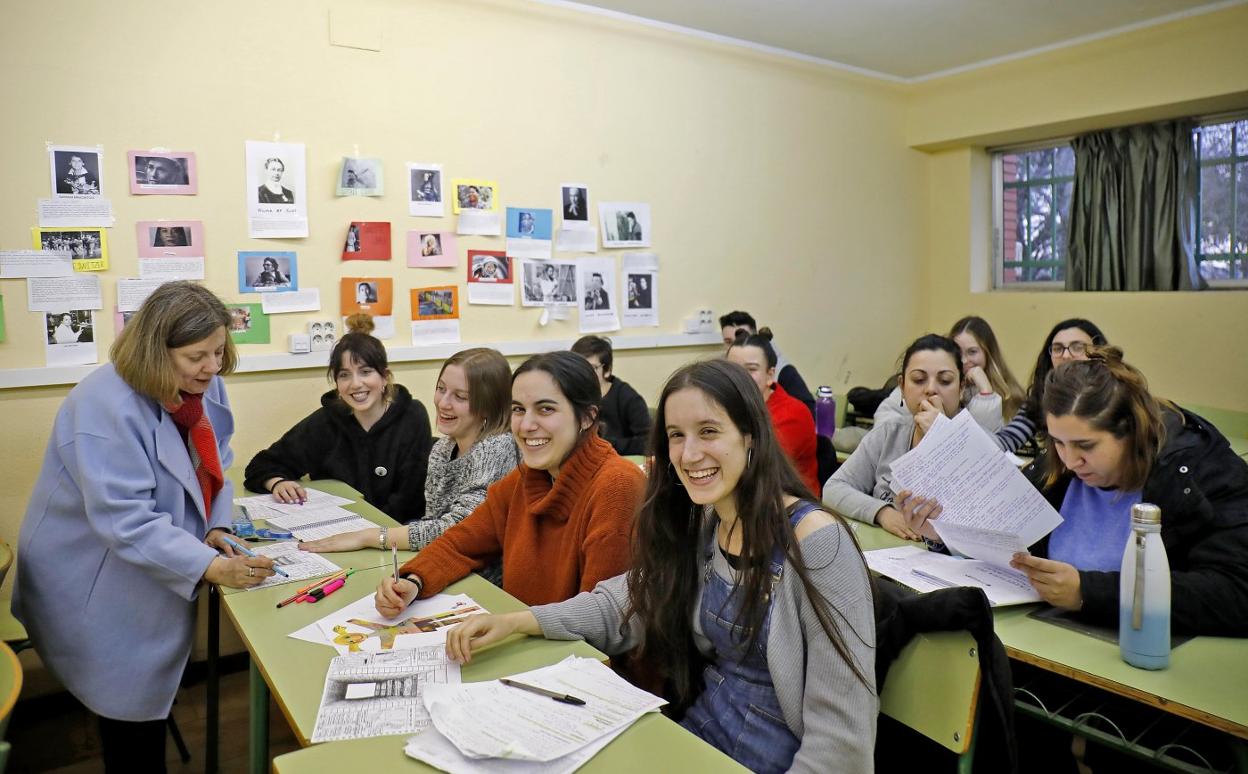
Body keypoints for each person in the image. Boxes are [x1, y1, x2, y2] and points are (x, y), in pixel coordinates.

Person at [443, 359, 876, 773]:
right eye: (675, 435)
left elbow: (841, 742)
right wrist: (521, 621)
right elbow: (625, 602)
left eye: (708, 431)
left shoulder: (817, 544)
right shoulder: (708, 520)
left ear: (751, 436)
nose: (688, 455)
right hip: (699, 738)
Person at [13, 282, 275, 773]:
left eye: (219, 351)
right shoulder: (102, 405)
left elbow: (216, 463)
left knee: (144, 698)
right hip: (89, 569)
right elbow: (126, 521)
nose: (213, 367)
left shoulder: (201, 384)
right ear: (156, 351)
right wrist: (211, 567)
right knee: (126, 706)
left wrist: (216, 528)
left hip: (149, 555)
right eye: (198, 356)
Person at [374, 351, 644, 612]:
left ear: (587, 417)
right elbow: (461, 542)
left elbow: (596, 619)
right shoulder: (527, 477)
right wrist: (414, 581)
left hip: (579, 655)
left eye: (545, 409)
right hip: (528, 637)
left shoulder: (616, 487)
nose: (526, 425)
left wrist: (514, 626)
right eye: (518, 409)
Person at [1008, 347, 1248, 635]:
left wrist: (1088, 592)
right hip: (1051, 643)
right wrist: (943, 534)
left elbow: (1236, 593)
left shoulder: (1197, 473)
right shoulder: (1056, 469)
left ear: (1130, 432)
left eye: (1086, 446)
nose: (1070, 461)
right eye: (1058, 442)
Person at [301, 349, 520, 581]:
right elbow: (433, 522)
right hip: (445, 566)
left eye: (461, 397)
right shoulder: (443, 448)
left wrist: (368, 537)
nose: (443, 403)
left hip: (486, 583)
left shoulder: (496, 448)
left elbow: (459, 532)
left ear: (489, 404)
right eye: (441, 389)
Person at [244, 314, 433, 517]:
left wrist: (367, 534)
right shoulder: (325, 420)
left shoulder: (412, 416)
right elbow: (261, 465)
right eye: (344, 375)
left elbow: (409, 498)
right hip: (338, 528)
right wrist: (277, 483)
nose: (355, 384)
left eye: (366, 372)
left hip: (397, 531)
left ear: (384, 377)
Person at [823, 334, 965, 542]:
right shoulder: (888, 433)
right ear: (902, 387)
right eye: (918, 380)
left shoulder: (979, 444)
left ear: (961, 388)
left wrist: (942, 437)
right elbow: (833, 488)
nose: (931, 389)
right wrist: (882, 512)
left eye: (945, 381)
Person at [874, 316, 1021, 433]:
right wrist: (917, 431)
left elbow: (979, 445)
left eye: (972, 352)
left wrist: (986, 396)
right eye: (919, 379)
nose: (963, 360)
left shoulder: (1011, 396)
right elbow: (885, 420)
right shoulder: (911, 391)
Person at [995, 318, 1108, 453]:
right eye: (1057, 348)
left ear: (1098, 352)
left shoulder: (1113, 396)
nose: (1065, 355)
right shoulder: (1039, 398)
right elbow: (1007, 439)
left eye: (1077, 347)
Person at [727, 331, 819, 495]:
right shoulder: (726, 407)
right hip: (745, 496)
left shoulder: (793, 413)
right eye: (733, 369)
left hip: (789, 504)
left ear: (770, 375)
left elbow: (759, 469)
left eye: (751, 369)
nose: (740, 377)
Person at [718, 310, 816, 417]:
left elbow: (809, 413)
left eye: (744, 339)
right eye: (728, 342)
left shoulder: (784, 372)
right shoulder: (720, 369)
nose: (736, 347)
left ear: (770, 373)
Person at [570, 336, 652, 456]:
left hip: (617, 461)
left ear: (607, 370)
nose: (583, 373)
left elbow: (648, 442)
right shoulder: (568, 394)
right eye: (578, 367)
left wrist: (605, 444)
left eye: (592, 368)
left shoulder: (628, 397)